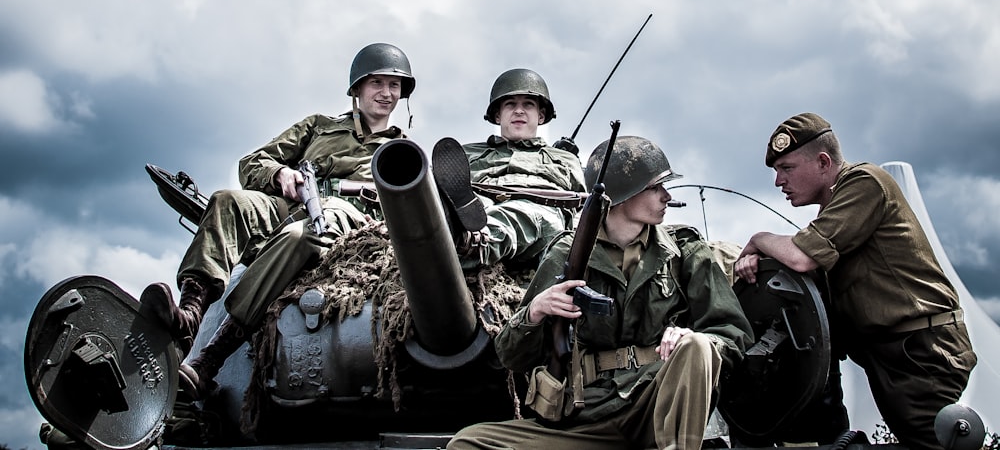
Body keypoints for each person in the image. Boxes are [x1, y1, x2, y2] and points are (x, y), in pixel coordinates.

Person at [448, 134, 753, 450]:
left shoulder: (685, 250)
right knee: (468, 444)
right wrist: (534, 313)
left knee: (696, 346)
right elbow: (511, 356)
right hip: (588, 414)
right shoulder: (566, 253)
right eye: (654, 187)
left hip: (658, 403)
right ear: (622, 196)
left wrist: (695, 342)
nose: (666, 196)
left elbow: (732, 334)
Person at [139, 42, 415, 391]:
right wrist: (279, 175)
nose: (387, 93)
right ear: (357, 89)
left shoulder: (404, 152)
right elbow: (251, 164)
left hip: (348, 221)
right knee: (227, 200)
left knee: (303, 236)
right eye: (377, 83)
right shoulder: (319, 127)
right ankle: (190, 315)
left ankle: (212, 356)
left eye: (395, 85)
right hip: (291, 202)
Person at [734, 112, 978, 450]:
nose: (779, 182)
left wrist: (759, 238)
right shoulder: (834, 211)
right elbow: (805, 271)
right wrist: (756, 262)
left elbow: (802, 256)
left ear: (822, 161)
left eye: (787, 168)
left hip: (919, 351)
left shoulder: (865, 182)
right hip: (892, 355)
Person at [432, 68, 587, 270]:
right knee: (469, 206)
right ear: (498, 115)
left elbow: (581, 209)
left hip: (540, 211)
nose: (519, 111)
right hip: (479, 202)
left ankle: (474, 243)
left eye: (528, 105)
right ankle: (452, 228)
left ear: (541, 116)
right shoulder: (466, 153)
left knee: (518, 214)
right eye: (511, 104)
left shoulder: (564, 159)